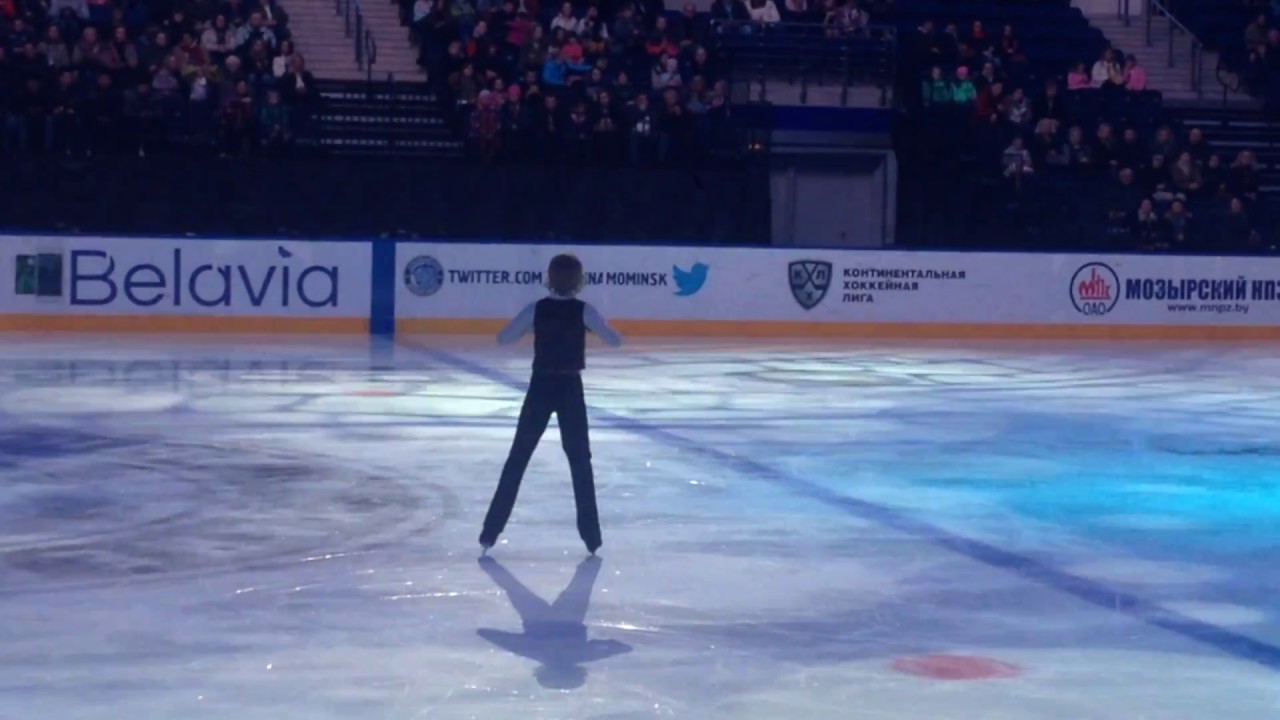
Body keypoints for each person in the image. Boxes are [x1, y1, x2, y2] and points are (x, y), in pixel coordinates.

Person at [480, 254, 623, 555]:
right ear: (578, 281)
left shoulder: (537, 309)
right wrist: (588, 326)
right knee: (580, 461)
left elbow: (504, 338)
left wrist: (536, 327)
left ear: (550, 278)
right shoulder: (584, 311)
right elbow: (614, 340)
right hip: (570, 388)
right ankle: (591, 537)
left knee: (518, 457)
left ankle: (490, 531)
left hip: (541, 388)